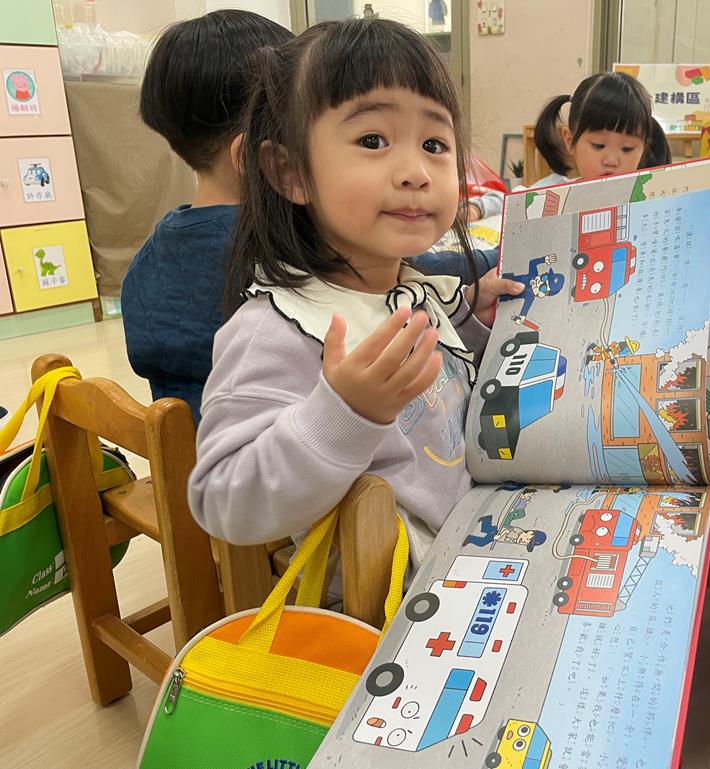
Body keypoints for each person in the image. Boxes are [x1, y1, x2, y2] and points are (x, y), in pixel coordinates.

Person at [187, 19, 522, 582]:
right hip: (382, 604)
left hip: (474, 543)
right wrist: (344, 413)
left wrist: (472, 315)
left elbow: (435, 379)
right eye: (372, 141)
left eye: (434, 144)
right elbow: (222, 501)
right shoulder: (278, 327)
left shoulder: (410, 287)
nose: (416, 172)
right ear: (290, 172)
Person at [121, 11, 293, 422]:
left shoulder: (153, 251)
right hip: (267, 455)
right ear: (255, 156)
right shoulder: (276, 248)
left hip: (191, 452)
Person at [530, 71, 673, 188]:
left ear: (644, 148)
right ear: (569, 141)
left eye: (627, 149)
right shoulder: (548, 195)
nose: (611, 161)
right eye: (599, 145)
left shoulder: (652, 199)